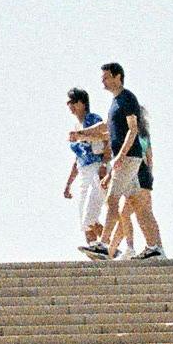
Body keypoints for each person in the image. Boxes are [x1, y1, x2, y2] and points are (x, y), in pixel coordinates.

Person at [100, 60, 164, 258]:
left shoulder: (127, 98)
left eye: (106, 77)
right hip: (128, 158)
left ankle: (102, 245)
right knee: (138, 204)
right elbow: (107, 130)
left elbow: (133, 129)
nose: (103, 82)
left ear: (118, 77)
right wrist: (83, 134)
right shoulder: (115, 103)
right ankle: (155, 248)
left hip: (128, 157)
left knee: (112, 199)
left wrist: (120, 155)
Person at [62, 87, 111, 258]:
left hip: (96, 168)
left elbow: (107, 140)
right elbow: (77, 159)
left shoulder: (93, 120)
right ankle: (97, 250)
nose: (71, 106)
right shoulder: (76, 126)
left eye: (73, 102)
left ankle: (109, 247)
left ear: (82, 103)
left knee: (90, 214)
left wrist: (104, 165)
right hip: (83, 172)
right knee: (84, 218)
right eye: (69, 103)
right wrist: (69, 184)